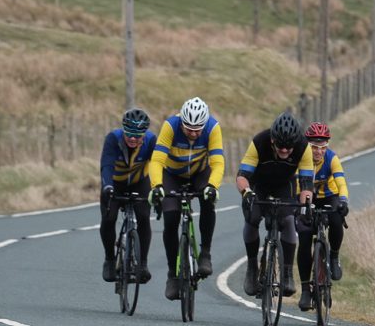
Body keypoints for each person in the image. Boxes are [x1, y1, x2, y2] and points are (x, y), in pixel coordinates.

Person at [147, 96, 224, 301]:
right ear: (182, 122)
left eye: (198, 130)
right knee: (171, 218)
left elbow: (217, 162)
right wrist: (157, 186)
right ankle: (173, 275)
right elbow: (157, 160)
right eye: (189, 129)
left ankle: (205, 253)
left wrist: (212, 186)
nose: (193, 133)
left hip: (199, 172)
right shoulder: (170, 126)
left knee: (208, 200)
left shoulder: (212, 128)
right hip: (172, 174)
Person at [235, 111, 314, 298]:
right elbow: (242, 176)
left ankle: (287, 273)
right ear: (272, 141)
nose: (284, 151)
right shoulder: (259, 142)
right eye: (280, 146)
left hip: (284, 186)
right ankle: (252, 268)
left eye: (289, 147)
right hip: (258, 185)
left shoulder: (303, 146)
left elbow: (306, 184)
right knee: (252, 217)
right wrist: (246, 192)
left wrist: (305, 206)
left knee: (288, 220)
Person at [99, 107, 157, 284]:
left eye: (137, 136)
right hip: (115, 184)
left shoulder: (151, 141)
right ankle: (109, 260)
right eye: (129, 134)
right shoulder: (113, 139)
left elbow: (157, 166)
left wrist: (158, 188)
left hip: (140, 182)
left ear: (144, 134)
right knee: (109, 218)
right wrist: (107, 186)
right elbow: (107, 165)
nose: (132, 139)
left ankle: (143, 264)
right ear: (123, 130)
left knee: (143, 216)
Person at [295, 121, 349, 311]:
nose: (319, 151)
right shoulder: (300, 158)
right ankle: (305, 290)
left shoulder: (332, 158)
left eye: (323, 147)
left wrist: (343, 201)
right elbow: (295, 185)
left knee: (336, 220)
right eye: (314, 147)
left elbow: (341, 182)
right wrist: (300, 207)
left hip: (329, 196)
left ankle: (333, 256)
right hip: (306, 197)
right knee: (304, 238)